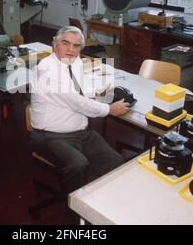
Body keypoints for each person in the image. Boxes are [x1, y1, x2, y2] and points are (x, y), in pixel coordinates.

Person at [29, 25, 129, 195]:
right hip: (50, 136)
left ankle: (91, 197)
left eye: (76, 46)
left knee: (115, 161)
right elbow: (76, 101)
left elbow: (80, 86)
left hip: (81, 133)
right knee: (78, 164)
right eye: (65, 43)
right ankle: (76, 211)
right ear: (54, 44)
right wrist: (109, 109)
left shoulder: (74, 62)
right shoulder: (47, 69)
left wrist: (96, 91)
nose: (71, 50)